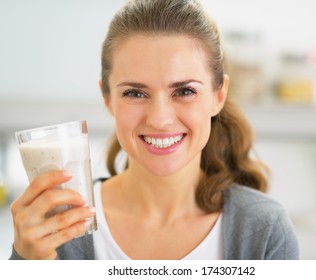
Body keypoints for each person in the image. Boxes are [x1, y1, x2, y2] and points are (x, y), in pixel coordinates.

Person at [10, 0, 299, 260]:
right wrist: (26, 265)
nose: (160, 119)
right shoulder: (60, 229)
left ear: (218, 96)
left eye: (185, 91)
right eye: (135, 93)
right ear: (107, 98)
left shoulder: (264, 231)